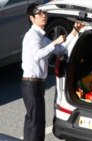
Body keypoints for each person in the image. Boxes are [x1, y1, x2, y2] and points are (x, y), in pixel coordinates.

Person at [21, 3, 83, 141]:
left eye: (45, 13)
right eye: (40, 13)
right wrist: (54, 43)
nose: (44, 15)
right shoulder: (32, 36)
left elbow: (60, 50)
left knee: (32, 120)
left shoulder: (42, 36)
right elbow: (37, 55)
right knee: (36, 122)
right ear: (32, 18)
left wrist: (74, 32)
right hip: (30, 84)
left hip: (37, 84)